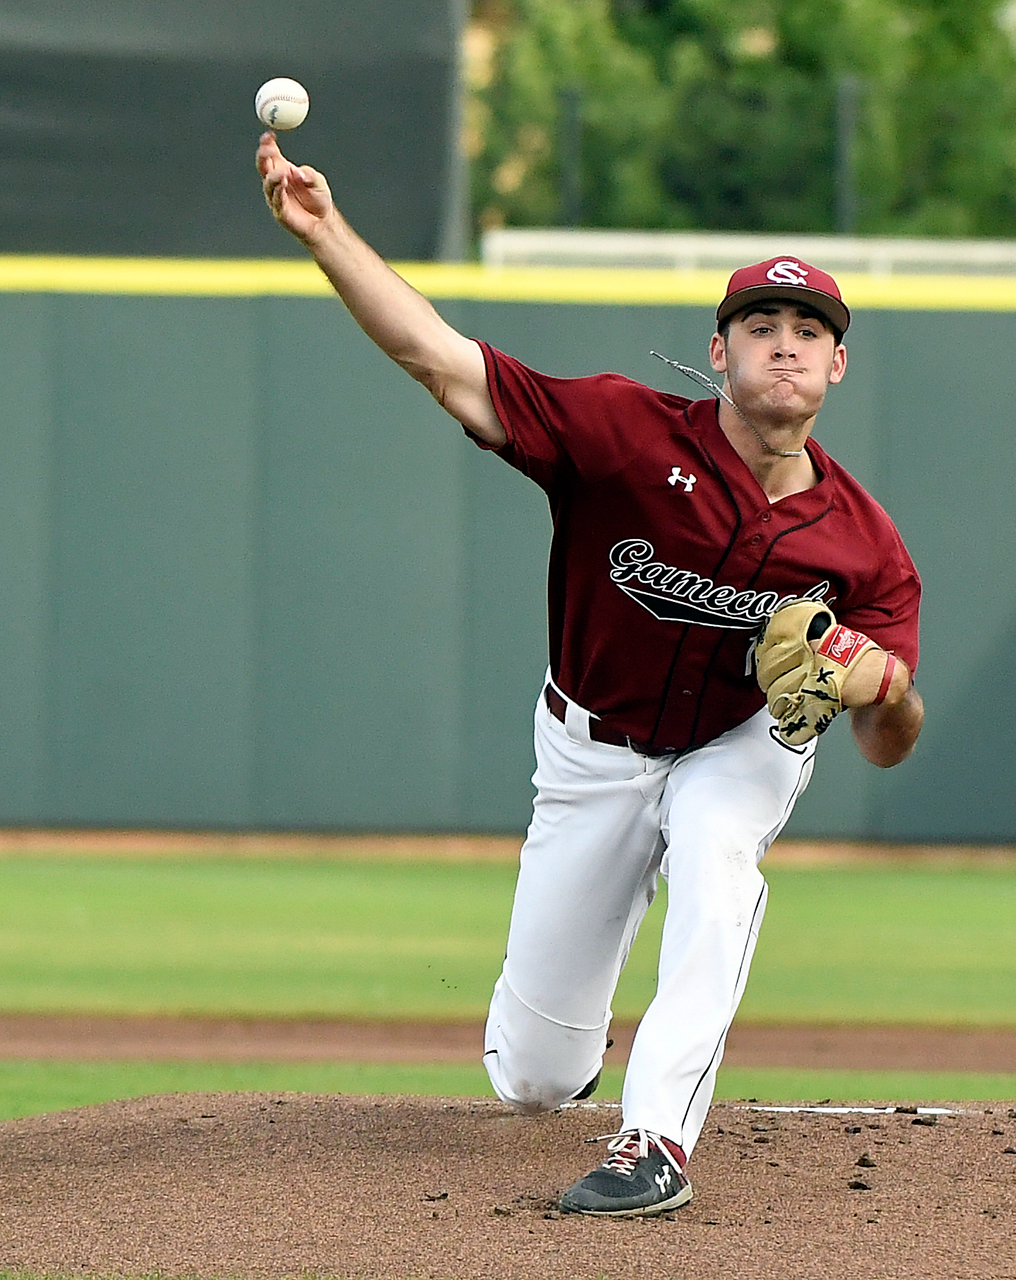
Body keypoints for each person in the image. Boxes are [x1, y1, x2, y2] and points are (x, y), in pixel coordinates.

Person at [256, 131, 924, 1215]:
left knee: (718, 857)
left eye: (809, 332)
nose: (786, 347)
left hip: (739, 740)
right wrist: (327, 233)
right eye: (762, 327)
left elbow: (892, 740)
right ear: (719, 351)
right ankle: (572, 1051)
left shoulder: (864, 543)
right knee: (533, 1076)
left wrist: (882, 689)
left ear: (837, 364)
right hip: (591, 746)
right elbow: (441, 361)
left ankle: (656, 1137)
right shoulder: (621, 431)